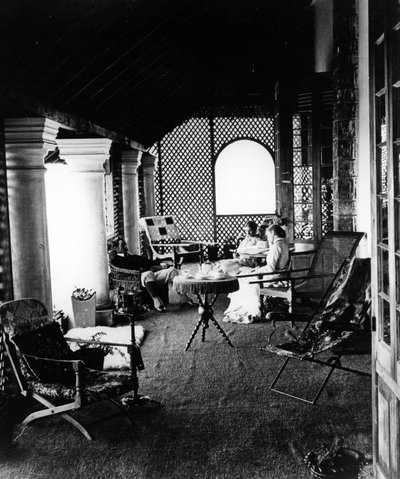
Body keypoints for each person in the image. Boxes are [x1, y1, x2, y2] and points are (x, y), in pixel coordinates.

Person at [222, 224, 290, 324]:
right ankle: (247, 306)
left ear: (273, 234)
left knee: (242, 277)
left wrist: (255, 271)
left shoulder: (276, 247)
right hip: (279, 274)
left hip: (273, 277)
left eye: (268, 235)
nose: (267, 238)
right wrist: (256, 269)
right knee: (245, 272)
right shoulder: (283, 244)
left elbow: (270, 269)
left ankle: (250, 309)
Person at [109, 238, 193, 312]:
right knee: (148, 274)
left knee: (172, 271)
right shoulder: (117, 258)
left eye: (125, 244)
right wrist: (118, 252)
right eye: (123, 245)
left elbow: (147, 262)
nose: (126, 246)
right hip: (137, 278)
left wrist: (159, 264)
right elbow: (114, 258)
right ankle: (157, 302)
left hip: (149, 274)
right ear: (116, 248)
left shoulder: (131, 256)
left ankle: (183, 297)